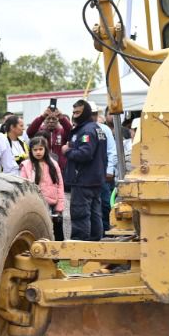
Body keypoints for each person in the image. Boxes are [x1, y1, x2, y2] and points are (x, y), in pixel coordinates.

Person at [64, 101, 109, 241]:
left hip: (83, 180)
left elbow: (85, 153)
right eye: (74, 112)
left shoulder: (87, 131)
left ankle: (80, 248)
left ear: (86, 112)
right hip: (95, 180)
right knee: (95, 214)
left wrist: (68, 151)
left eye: (78, 113)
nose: (75, 115)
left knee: (80, 214)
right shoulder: (97, 129)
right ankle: (95, 243)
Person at [20, 136, 67, 241]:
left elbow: (60, 185)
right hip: (35, 204)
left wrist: (60, 205)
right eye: (35, 150)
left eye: (40, 149)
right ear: (30, 150)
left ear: (45, 149)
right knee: (40, 231)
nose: (38, 152)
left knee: (57, 230)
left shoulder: (53, 164)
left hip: (53, 203)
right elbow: (23, 187)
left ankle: (58, 255)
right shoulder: (26, 166)